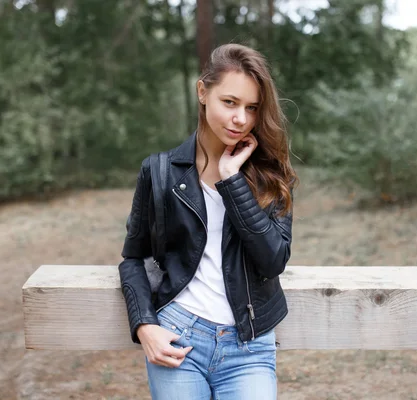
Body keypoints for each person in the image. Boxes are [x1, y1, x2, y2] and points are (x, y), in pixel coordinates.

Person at [118, 43, 298, 400]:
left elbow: (273, 259)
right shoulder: (160, 172)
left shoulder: (270, 176)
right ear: (203, 92)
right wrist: (144, 325)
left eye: (252, 108)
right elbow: (133, 258)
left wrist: (232, 181)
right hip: (178, 336)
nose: (241, 119)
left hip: (250, 347)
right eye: (229, 102)